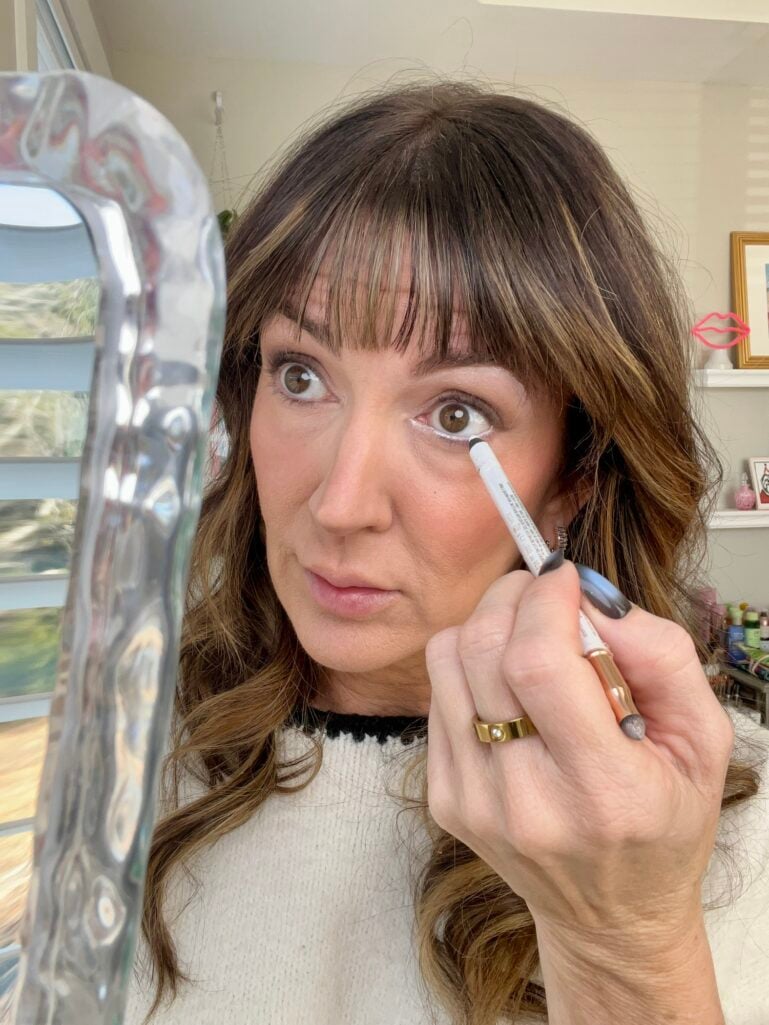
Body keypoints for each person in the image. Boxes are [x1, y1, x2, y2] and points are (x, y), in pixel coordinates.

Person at [124, 78, 769, 1025]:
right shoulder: (117, 754)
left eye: (455, 413)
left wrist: (624, 941)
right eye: (300, 375)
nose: (339, 503)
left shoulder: (712, 820)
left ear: (573, 475)